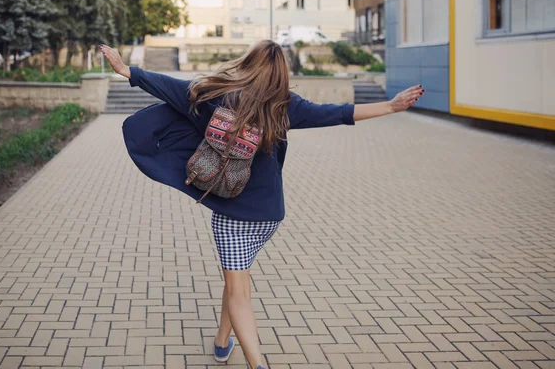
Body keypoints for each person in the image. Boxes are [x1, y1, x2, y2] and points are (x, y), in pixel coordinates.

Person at [100, 41, 424, 369]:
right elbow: (338, 113)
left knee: (239, 290)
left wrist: (128, 70)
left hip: (232, 214)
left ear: (248, 63)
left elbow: (168, 86)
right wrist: (392, 107)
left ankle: (257, 365)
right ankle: (222, 341)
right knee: (236, 279)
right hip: (269, 217)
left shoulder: (217, 94)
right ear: (280, 73)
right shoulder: (285, 106)